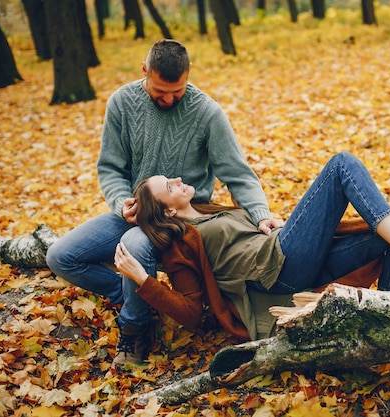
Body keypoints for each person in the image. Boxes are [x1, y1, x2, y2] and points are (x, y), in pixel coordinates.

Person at [45, 39, 281, 366]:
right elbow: (110, 168)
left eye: (177, 91)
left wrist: (260, 215)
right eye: (160, 91)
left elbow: (238, 173)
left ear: (188, 75)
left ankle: (135, 327)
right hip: (132, 214)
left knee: (133, 246)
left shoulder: (207, 112)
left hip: (179, 219)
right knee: (60, 256)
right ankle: (139, 296)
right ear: (145, 71)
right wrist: (120, 201)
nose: (169, 98)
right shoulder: (121, 103)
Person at [114, 152, 390, 358]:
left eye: (172, 179)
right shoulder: (181, 243)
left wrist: (269, 225)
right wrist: (143, 281)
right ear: (169, 212)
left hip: (287, 252)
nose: (177, 181)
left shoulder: (211, 211)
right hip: (279, 270)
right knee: (341, 165)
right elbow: (192, 313)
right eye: (169, 187)